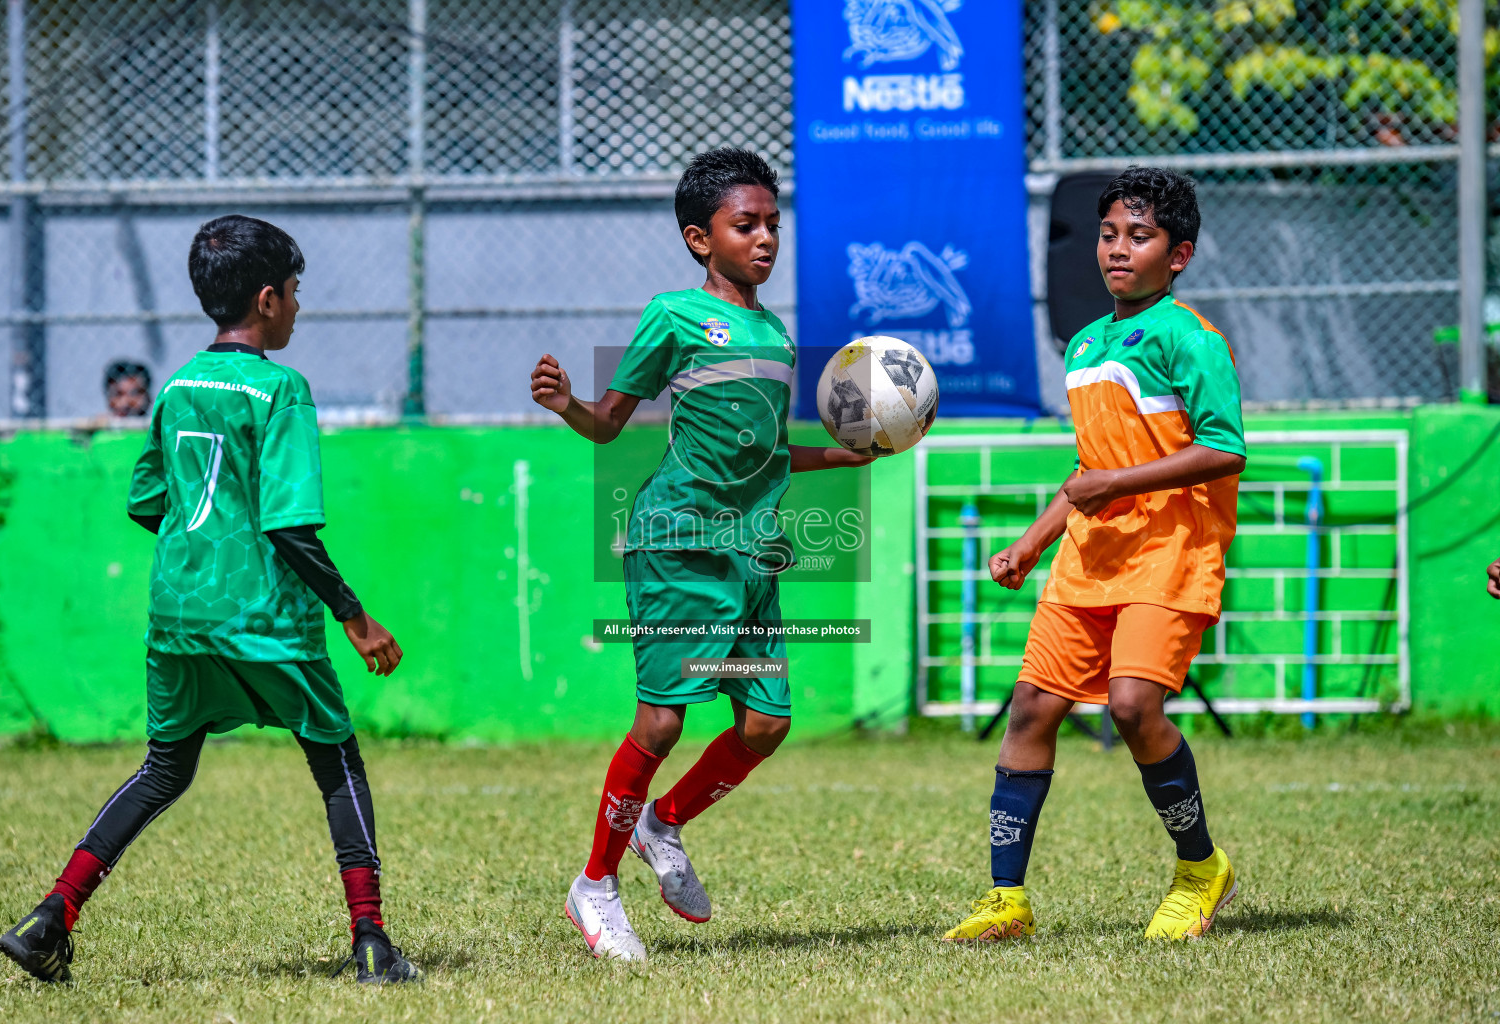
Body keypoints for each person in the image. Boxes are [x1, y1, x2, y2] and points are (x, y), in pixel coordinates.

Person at [0, 215, 419, 985]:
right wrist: (353, 615)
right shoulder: (280, 390)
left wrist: (205, 551)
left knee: (164, 769)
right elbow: (289, 524)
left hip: (180, 613)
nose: (298, 306)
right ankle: (371, 942)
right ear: (266, 299)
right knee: (336, 764)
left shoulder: (179, 385)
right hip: (264, 618)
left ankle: (50, 915)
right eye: (294, 293)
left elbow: (150, 500)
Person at [529, 148, 874, 961]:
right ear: (699, 237)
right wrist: (566, 402)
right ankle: (595, 886)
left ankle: (664, 824)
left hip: (753, 554)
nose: (764, 240)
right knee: (661, 719)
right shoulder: (674, 317)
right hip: (678, 542)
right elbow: (610, 424)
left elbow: (763, 453)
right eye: (744, 225)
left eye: (772, 225)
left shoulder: (778, 336)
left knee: (764, 725)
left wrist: (843, 454)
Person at [942, 167, 1246, 943]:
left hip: (1173, 551)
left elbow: (1223, 450)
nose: (1117, 249)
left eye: (1138, 237)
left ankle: (1199, 869)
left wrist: (1120, 481)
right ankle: (1006, 900)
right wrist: (1029, 543)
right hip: (1089, 557)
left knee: (1134, 708)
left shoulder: (1192, 337)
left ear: (1178, 255)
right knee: (1033, 709)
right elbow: (1088, 474)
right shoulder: (1084, 344)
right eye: (1109, 234)